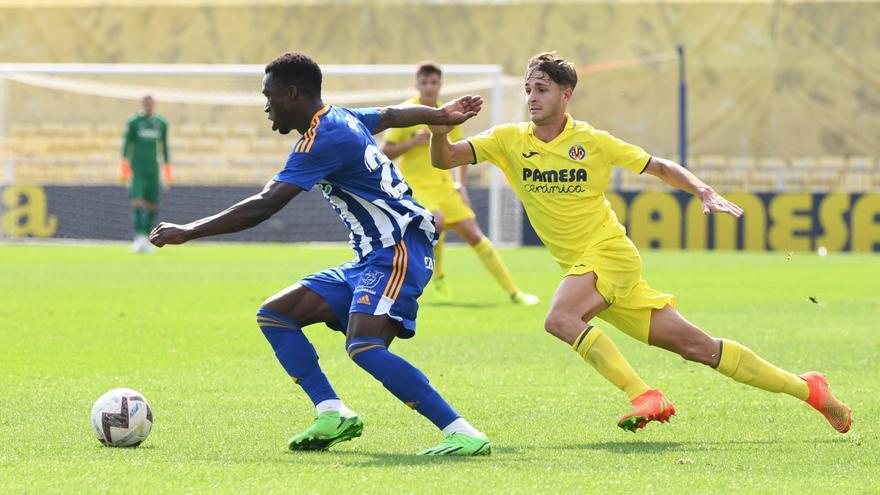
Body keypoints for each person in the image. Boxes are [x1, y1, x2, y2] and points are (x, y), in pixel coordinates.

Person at [428, 52, 851, 434]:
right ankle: (810, 389)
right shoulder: (507, 140)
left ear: (566, 94)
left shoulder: (592, 141)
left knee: (559, 319)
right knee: (699, 348)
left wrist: (703, 191)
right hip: (588, 271)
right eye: (528, 90)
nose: (531, 98)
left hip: (608, 255)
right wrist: (438, 126)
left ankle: (644, 395)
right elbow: (444, 158)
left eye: (541, 89)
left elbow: (660, 166)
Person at [149, 53, 491, 456]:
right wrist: (440, 113)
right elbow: (392, 114)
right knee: (277, 314)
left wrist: (189, 230)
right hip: (372, 258)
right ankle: (332, 412)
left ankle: (462, 431)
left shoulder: (321, 139)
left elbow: (266, 204)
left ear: (292, 93)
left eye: (269, 95)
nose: (266, 105)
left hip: (398, 250)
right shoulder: (341, 118)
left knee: (363, 346)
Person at [382, 62, 538, 305]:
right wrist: (412, 143)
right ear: (417, 84)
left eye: (434, 82)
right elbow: (386, 151)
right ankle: (439, 275)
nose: (429, 87)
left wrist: (460, 184)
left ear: (440, 84)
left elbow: (459, 151)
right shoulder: (407, 112)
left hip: (444, 185)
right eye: (424, 82)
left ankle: (514, 292)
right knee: (437, 220)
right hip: (416, 185)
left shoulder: (446, 113)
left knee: (474, 235)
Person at [120, 95, 171, 254]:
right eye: (146, 102)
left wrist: (167, 171)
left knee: (152, 205)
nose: (149, 105)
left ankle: (148, 240)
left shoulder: (161, 123)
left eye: (151, 102)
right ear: (142, 104)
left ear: (154, 104)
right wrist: (124, 169)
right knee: (136, 202)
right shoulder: (134, 122)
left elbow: (165, 146)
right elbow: (127, 145)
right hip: (138, 170)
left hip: (153, 171)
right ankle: (138, 238)